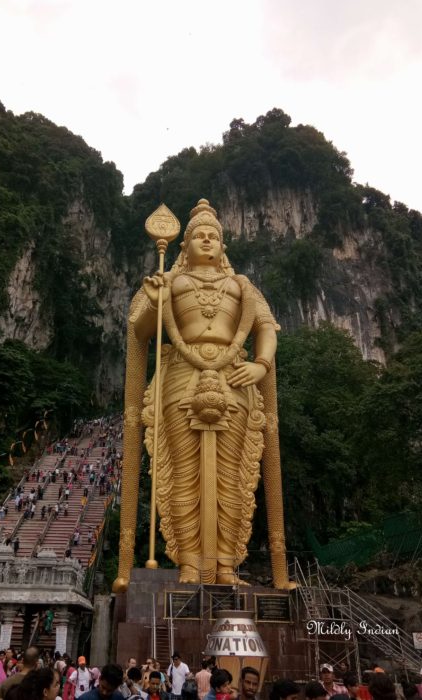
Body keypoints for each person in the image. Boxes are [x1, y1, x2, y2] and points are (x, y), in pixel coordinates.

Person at [113, 198, 291, 590]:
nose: (207, 241)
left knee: (232, 477)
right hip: (181, 376)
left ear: (222, 246)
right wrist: (155, 300)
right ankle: (190, 564)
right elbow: (139, 329)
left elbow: (265, 327)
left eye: (214, 236)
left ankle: (226, 565)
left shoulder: (241, 285)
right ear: (185, 246)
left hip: (235, 378)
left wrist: (260, 364)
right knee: (183, 474)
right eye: (200, 236)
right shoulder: (170, 281)